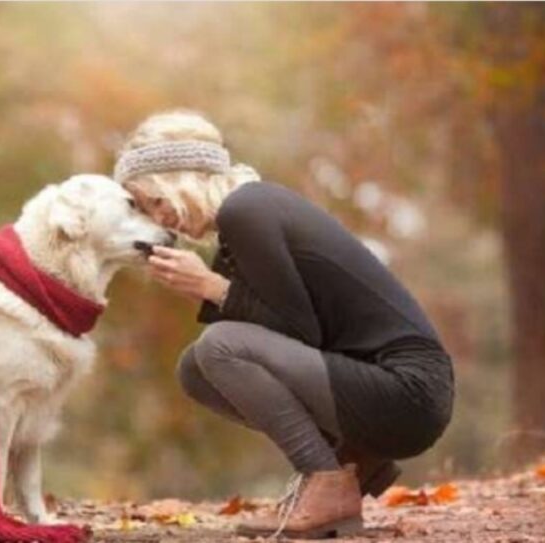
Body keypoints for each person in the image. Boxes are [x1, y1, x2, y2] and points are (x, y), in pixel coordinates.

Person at [114, 110, 455, 539]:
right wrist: (209, 287)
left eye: (157, 202)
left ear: (182, 178)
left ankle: (325, 478)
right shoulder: (243, 219)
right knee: (195, 368)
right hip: (380, 388)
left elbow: (298, 332)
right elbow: (287, 330)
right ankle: (351, 463)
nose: (159, 219)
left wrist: (211, 286)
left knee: (218, 346)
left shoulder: (247, 210)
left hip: (407, 393)